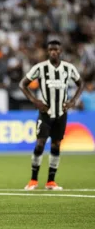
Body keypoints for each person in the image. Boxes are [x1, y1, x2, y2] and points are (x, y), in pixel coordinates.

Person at [19, 40, 83, 191]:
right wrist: (35, 101)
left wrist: (73, 101)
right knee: (40, 143)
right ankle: (33, 180)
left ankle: (51, 182)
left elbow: (81, 83)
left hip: (61, 113)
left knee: (56, 144)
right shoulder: (41, 68)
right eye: (51, 50)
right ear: (48, 52)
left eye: (56, 49)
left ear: (60, 51)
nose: (53, 52)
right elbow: (23, 84)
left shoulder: (68, 68)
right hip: (45, 114)